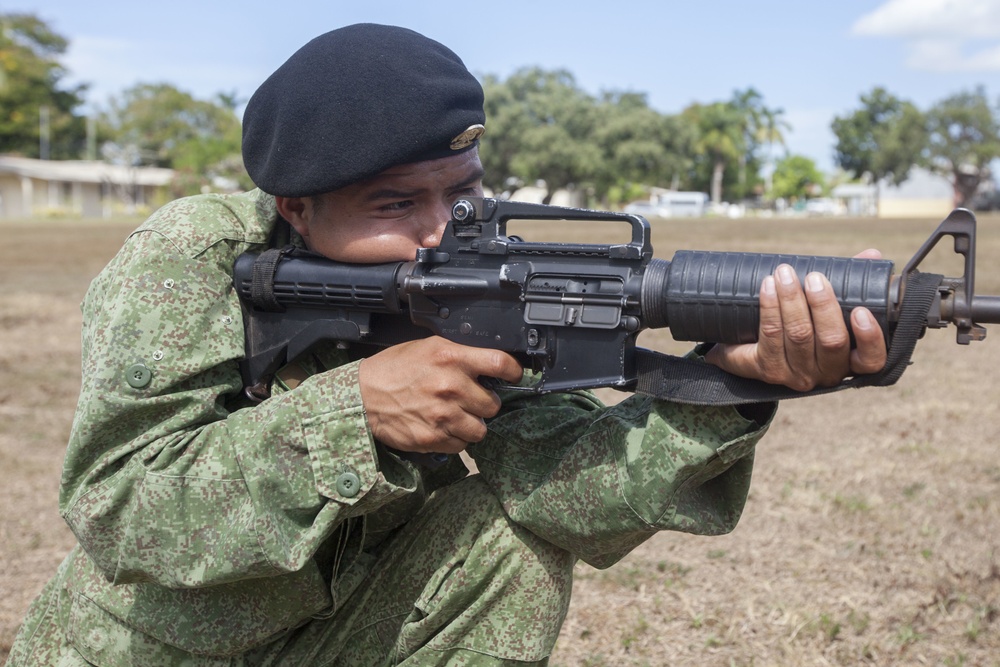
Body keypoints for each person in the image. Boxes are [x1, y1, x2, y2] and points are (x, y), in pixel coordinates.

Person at [8, 23, 887, 666]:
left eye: (463, 192)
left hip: (348, 633)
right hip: (147, 653)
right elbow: (119, 504)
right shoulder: (200, 257)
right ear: (296, 208)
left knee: (513, 539)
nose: (441, 232)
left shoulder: (485, 272)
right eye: (395, 205)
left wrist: (727, 385)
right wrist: (355, 412)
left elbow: (563, 492)